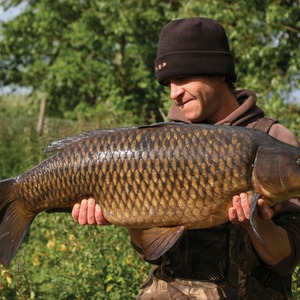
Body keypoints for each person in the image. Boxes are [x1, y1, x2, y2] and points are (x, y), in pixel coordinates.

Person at [71, 18, 300, 299]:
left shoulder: (274, 140)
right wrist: (126, 215)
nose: (173, 93)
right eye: (168, 83)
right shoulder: (158, 143)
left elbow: (287, 259)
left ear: (218, 72)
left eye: (182, 79)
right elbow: (151, 251)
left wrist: (256, 222)